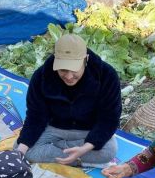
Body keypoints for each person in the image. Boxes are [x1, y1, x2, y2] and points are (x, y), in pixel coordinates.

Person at [15, 33, 122, 167]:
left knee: (109, 151)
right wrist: (20, 152)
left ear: (86, 59)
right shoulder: (41, 76)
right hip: (54, 128)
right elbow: (36, 116)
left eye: (74, 70)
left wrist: (86, 147)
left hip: (88, 130)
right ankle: (76, 159)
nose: (69, 76)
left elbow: (109, 118)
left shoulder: (107, 76)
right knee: (22, 148)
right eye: (63, 70)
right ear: (55, 61)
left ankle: (67, 152)